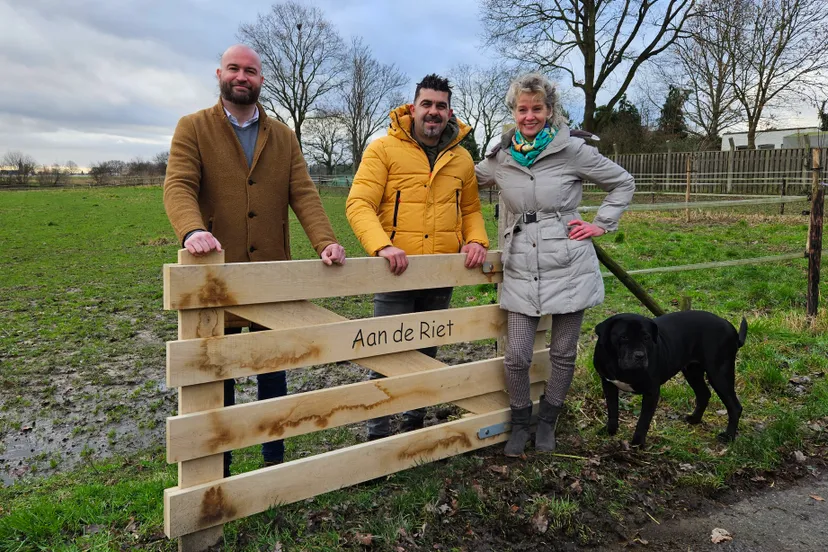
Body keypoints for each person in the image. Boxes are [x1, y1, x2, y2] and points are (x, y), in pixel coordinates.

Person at [163, 44, 346, 475]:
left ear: (261, 79)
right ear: (219, 74)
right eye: (234, 69)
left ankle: (272, 460)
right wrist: (193, 230)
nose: (241, 76)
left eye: (250, 70)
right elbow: (178, 186)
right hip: (216, 275)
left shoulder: (282, 135)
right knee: (219, 370)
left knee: (272, 367)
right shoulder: (192, 127)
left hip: (271, 274)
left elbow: (303, 192)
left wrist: (325, 241)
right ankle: (220, 464)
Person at [475, 73, 634, 457]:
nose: (529, 116)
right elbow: (461, 182)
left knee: (563, 352)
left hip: (568, 263)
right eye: (522, 109)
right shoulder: (501, 158)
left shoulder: (572, 151)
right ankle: (520, 420)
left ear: (549, 111)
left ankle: (548, 420)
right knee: (516, 355)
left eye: (537, 108)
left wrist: (600, 223)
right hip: (520, 264)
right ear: (513, 112)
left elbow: (622, 182)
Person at [346, 74, 490, 440]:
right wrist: (382, 246)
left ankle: (414, 424)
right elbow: (359, 203)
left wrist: (476, 240)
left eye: (441, 106)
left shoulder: (461, 159)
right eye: (427, 104)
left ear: (449, 111)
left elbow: (471, 209)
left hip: (441, 271)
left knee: (426, 350)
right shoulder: (382, 150)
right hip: (395, 270)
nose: (433, 112)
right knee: (384, 352)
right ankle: (377, 432)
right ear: (413, 108)